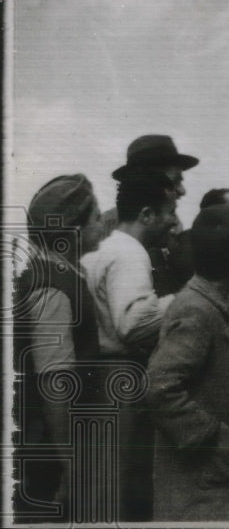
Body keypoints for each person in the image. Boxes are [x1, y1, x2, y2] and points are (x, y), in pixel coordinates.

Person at [145, 205, 229, 521]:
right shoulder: (197, 311)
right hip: (208, 494)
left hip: (217, 487)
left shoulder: (208, 305)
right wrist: (215, 437)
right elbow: (158, 388)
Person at [81, 169, 179, 521]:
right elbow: (134, 324)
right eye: (169, 213)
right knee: (118, 488)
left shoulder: (102, 248)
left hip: (95, 376)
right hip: (118, 379)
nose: (174, 222)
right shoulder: (130, 253)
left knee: (99, 488)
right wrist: (181, 302)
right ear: (147, 215)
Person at [13, 175, 105, 521]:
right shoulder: (52, 287)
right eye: (96, 217)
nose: (102, 226)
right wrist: (70, 466)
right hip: (43, 456)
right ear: (73, 230)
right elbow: (55, 384)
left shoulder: (62, 274)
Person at [100, 135, 199, 296]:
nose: (182, 190)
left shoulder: (171, 223)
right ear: (149, 180)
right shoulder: (106, 229)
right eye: (174, 182)